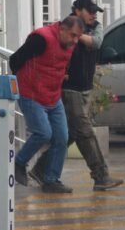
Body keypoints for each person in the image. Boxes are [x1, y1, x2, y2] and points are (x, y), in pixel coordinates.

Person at [31, 0, 124, 191]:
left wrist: (78, 34)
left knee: (71, 134)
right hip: (69, 90)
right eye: (89, 10)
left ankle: (40, 169)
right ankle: (100, 176)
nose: (93, 15)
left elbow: (97, 42)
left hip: (85, 89)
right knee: (85, 132)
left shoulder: (91, 28)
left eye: (94, 11)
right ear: (77, 10)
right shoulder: (64, 29)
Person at [9, 15, 85, 194]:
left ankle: (51, 180)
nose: (75, 41)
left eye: (78, 37)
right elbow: (15, 60)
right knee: (43, 132)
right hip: (31, 94)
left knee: (61, 138)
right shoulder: (41, 39)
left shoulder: (70, 44)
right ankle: (19, 162)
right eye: (73, 35)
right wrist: (23, 82)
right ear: (62, 29)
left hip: (52, 96)